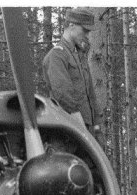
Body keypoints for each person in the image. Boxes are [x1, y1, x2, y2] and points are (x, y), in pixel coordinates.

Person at [42, 8, 102, 139]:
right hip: (69, 129)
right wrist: (79, 127)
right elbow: (63, 94)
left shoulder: (79, 55)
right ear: (71, 25)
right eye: (84, 30)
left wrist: (97, 127)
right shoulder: (57, 55)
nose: (87, 35)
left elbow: (90, 94)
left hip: (87, 128)